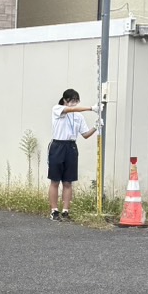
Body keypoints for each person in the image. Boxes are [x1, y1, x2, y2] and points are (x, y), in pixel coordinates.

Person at [48, 88, 99, 222]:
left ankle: (65, 210)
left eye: (76, 101)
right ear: (65, 100)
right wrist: (91, 108)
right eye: (71, 101)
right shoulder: (57, 109)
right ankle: (54, 211)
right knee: (55, 180)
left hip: (71, 147)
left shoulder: (79, 117)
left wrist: (96, 127)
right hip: (58, 145)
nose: (74, 104)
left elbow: (85, 135)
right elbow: (69, 110)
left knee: (68, 182)